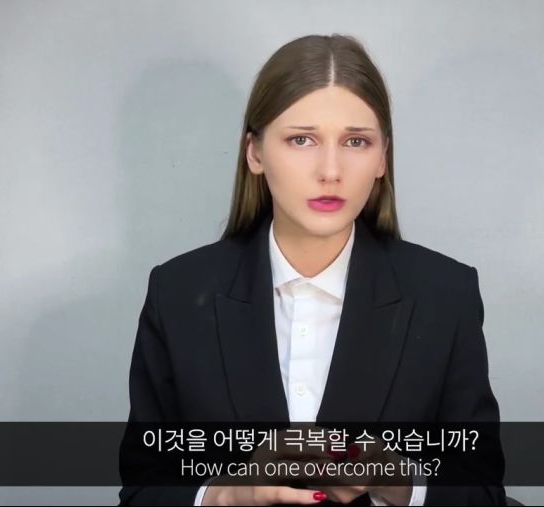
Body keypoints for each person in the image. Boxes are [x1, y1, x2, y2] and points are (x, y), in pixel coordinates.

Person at [119, 34, 506, 506]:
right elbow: (142, 491)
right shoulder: (177, 293)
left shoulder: (446, 296)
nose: (330, 170)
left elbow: (483, 492)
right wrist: (228, 495)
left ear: (382, 158)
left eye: (356, 141)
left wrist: (397, 480)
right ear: (255, 153)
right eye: (301, 140)